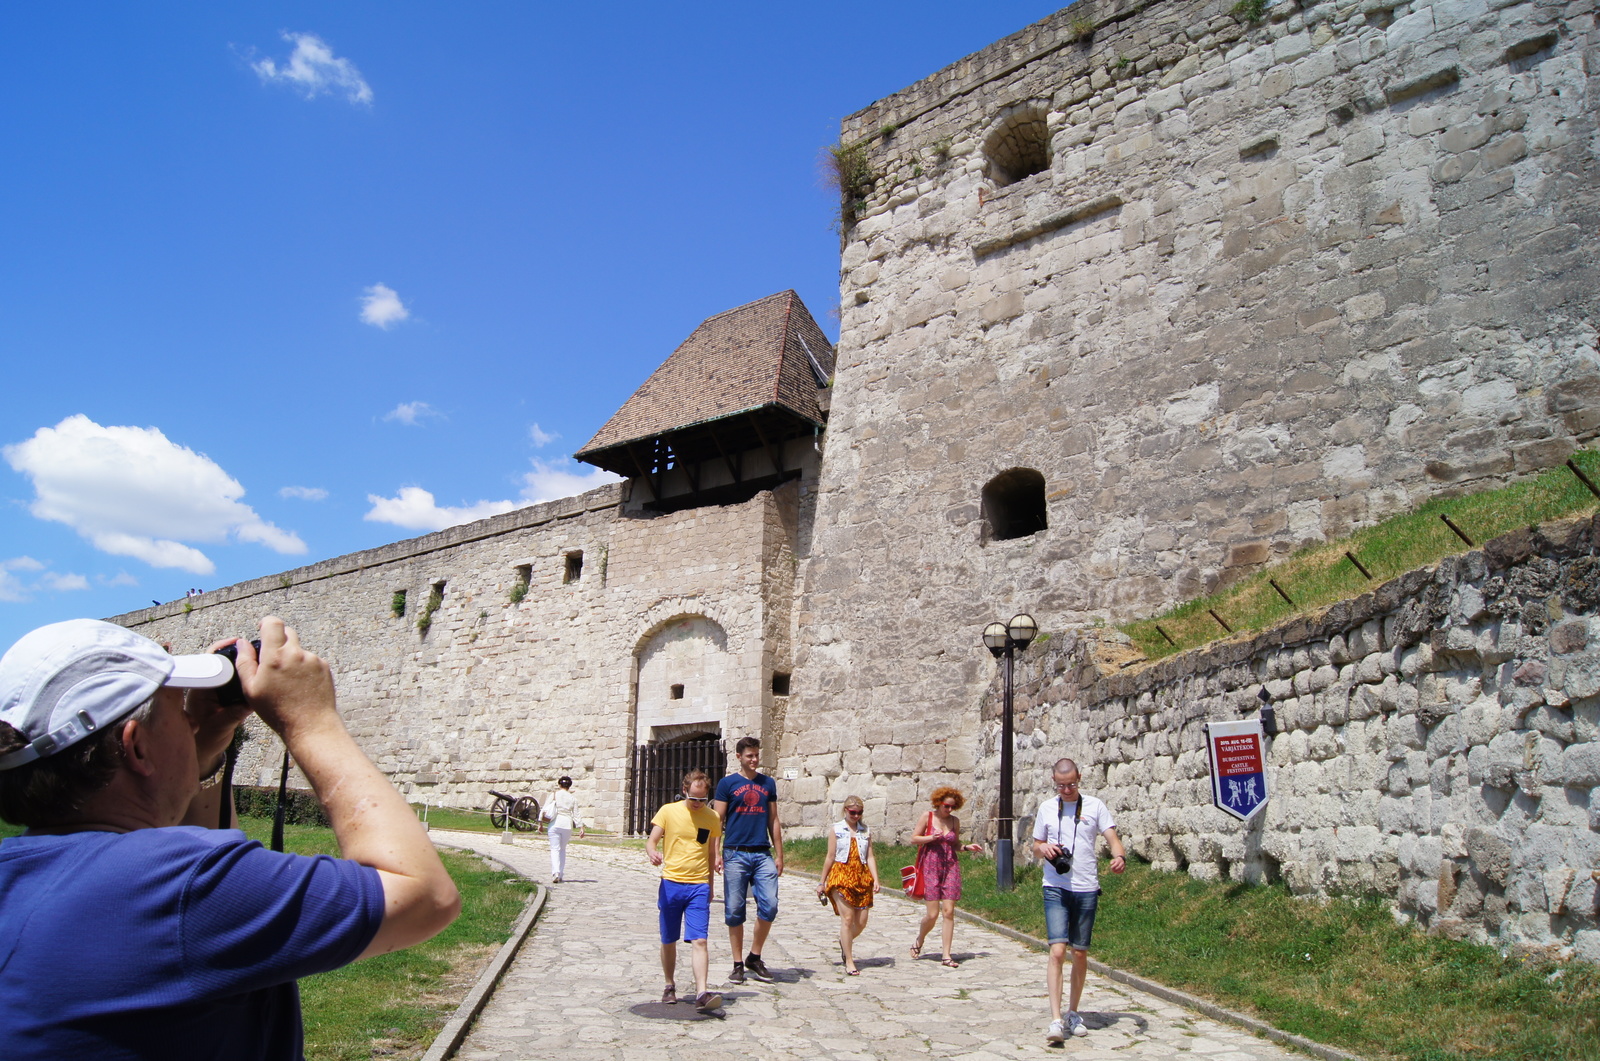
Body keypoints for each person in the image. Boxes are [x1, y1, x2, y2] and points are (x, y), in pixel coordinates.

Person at [0, 617, 460, 1060]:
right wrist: (311, 720)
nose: (191, 722)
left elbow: (189, 892)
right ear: (137, 746)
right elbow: (424, 895)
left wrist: (207, 745)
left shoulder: (20, 875)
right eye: (178, 714)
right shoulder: (177, 886)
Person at [1032, 757, 1126, 1042]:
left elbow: (1112, 837)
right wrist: (1044, 848)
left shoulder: (1095, 806)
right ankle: (1056, 1019)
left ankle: (1073, 1012)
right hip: (1055, 886)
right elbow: (1035, 846)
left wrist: (1119, 856)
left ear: (1080, 778)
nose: (1067, 790)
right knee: (1057, 951)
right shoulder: (1047, 808)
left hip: (1086, 887)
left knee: (1080, 952)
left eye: (1071, 784)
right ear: (1054, 782)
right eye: (1061, 786)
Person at [646, 769, 723, 1013]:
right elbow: (652, 840)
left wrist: (710, 885)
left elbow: (711, 854)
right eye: (693, 799)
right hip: (671, 883)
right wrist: (652, 853)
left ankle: (702, 991)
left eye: (702, 799)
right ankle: (669, 985)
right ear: (684, 791)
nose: (698, 804)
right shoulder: (668, 811)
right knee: (669, 939)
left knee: (700, 939)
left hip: (698, 885)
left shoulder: (712, 818)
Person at [712, 735, 783, 985]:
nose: (754, 760)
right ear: (739, 757)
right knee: (734, 909)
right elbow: (717, 820)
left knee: (770, 905)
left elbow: (773, 819)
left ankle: (755, 956)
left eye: (756, 755)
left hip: (761, 852)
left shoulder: (768, 784)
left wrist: (779, 854)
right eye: (749, 756)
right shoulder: (727, 784)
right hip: (735, 852)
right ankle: (737, 963)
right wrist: (716, 853)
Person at [909, 786, 983, 967]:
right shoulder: (928, 817)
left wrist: (967, 848)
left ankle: (946, 955)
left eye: (952, 807)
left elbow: (955, 843)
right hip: (930, 867)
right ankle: (919, 939)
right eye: (946, 806)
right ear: (938, 803)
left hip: (950, 866)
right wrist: (930, 838)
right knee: (932, 914)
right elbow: (914, 838)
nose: (949, 810)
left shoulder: (954, 821)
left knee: (948, 912)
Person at [815, 795, 881, 975]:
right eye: (853, 812)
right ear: (845, 810)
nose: (856, 816)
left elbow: (870, 856)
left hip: (861, 876)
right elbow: (830, 856)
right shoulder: (836, 830)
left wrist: (875, 878)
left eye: (859, 813)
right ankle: (849, 961)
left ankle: (845, 941)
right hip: (841, 875)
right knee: (848, 919)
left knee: (861, 922)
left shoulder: (865, 831)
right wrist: (822, 882)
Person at [541, 774, 585, 883]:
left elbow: (545, 808)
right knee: (562, 849)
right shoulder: (572, 798)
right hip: (567, 825)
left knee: (554, 848)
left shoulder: (554, 795)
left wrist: (540, 823)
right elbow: (576, 814)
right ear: (569, 786)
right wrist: (581, 827)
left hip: (554, 824)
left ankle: (555, 872)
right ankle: (560, 873)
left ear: (559, 784)